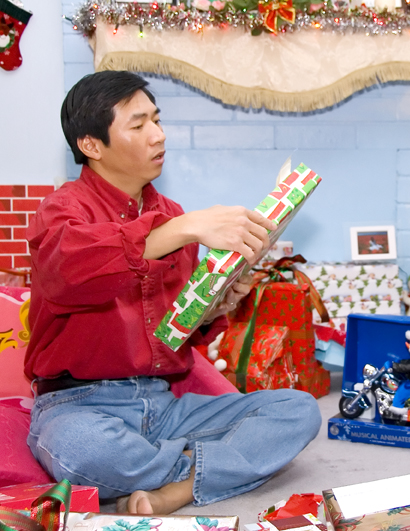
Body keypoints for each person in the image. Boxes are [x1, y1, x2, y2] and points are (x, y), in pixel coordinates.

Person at [25, 71, 321, 515]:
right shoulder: (64, 209)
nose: (159, 136)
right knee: (82, 449)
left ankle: (176, 483)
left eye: (158, 121)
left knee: (299, 411)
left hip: (164, 405)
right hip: (78, 405)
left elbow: (171, 328)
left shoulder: (170, 213)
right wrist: (180, 230)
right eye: (139, 125)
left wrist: (217, 303)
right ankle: (203, 468)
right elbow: (65, 273)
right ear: (91, 145)